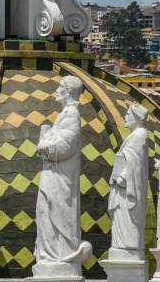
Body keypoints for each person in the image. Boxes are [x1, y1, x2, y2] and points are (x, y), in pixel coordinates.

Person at [33, 75, 93, 276]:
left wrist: (44, 144)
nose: (56, 90)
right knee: (45, 212)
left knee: (54, 211)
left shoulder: (71, 115)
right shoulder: (65, 114)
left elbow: (65, 146)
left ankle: (60, 252)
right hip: (54, 175)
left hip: (60, 178)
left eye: (60, 86)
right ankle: (51, 253)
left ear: (68, 91)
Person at [108, 103, 149, 259]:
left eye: (128, 115)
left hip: (127, 187)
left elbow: (135, 163)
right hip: (124, 187)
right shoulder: (137, 135)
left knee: (127, 220)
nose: (125, 117)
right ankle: (124, 245)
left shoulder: (139, 135)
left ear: (136, 118)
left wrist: (122, 178)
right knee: (122, 220)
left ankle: (127, 246)